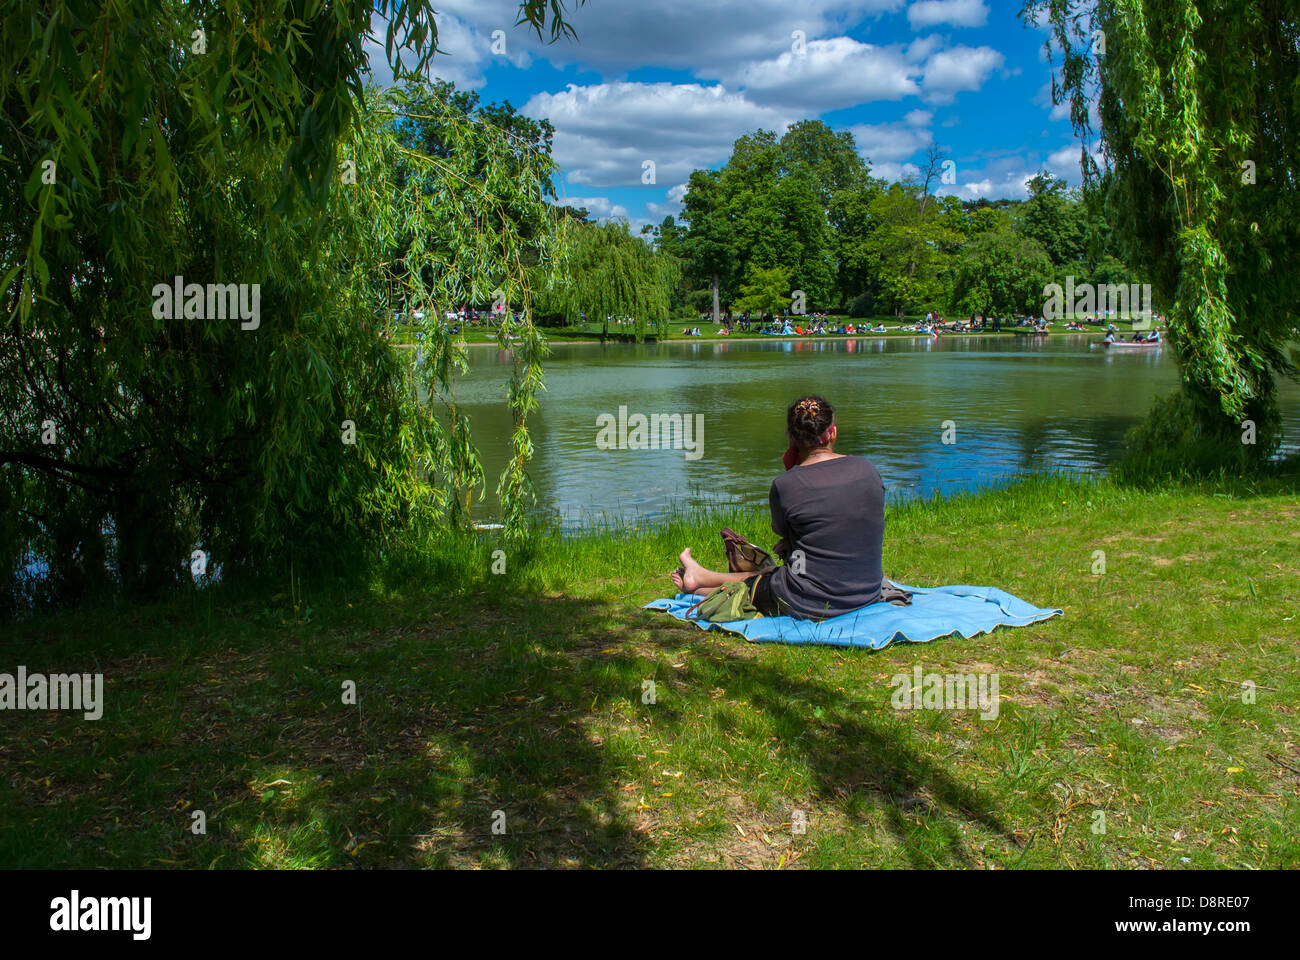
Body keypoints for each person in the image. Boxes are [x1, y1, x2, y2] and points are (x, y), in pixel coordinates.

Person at [672, 395, 886, 620]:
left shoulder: (786, 485)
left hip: (808, 602)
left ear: (790, 437)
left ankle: (697, 583)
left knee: (764, 583)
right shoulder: (867, 468)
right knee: (787, 571)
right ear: (832, 432)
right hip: (867, 593)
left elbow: (784, 533)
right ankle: (700, 577)